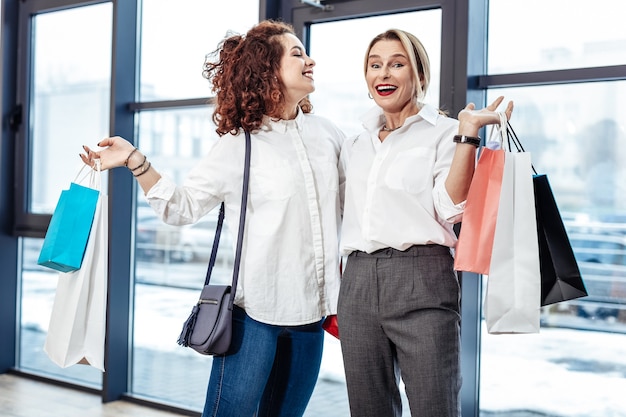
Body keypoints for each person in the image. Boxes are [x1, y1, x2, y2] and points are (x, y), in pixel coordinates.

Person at [81, 20, 345, 417]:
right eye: (297, 54)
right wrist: (136, 161)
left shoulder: (329, 135)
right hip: (255, 316)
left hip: (312, 317)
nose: (310, 61)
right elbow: (180, 207)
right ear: (269, 70)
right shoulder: (240, 143)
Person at [337, 28, 514, 417]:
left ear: (419, 74)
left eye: (397, 64)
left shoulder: (445, 133)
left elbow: (451, 207)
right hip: (358, 282)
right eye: (375, 65)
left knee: (436, 406)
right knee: (368, 409)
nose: (384, 73)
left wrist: (468, 134)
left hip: (422, 278)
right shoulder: (356, 143)